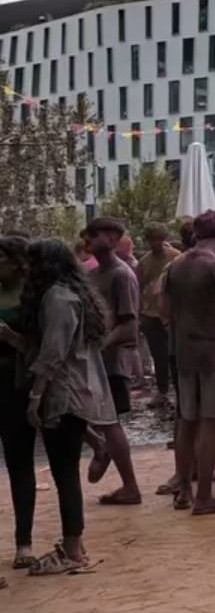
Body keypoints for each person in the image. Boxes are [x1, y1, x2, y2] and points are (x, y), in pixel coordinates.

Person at [16, 240, 117, 574]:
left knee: (65, 473)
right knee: (66, 468)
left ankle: (73, 549)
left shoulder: (57, 299)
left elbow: (53, 354)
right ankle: (75, 544)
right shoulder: (72, 295)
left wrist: (36, 397)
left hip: (64, 392)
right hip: (76, 391)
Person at [161, 210, 215, 515]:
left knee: (187, 421)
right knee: (212, 423)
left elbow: (165, 312)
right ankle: (205, 496)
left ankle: (183, 489)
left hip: (184, 353)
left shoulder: (174, 267)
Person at [84, 216, 142, 505]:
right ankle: (101, 448)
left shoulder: (122, 275)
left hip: (113, 361)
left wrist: (100, 346)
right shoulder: (92, 275)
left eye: (94, 235)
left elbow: (129, 326)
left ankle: (130, 485)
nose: (88, 241)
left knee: (110, 421)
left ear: (110, 238)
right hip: (95, 360)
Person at [0, 236, 37, 569]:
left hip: (17, 383)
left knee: (20, 464)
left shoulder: (33, 294)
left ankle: (23, 542)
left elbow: (42, 346)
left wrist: (10, 337)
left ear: (17, 261)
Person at [136, 223, 180, 409]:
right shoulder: (144, 262)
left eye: (159, 239)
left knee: (175, 355)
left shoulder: (176, 257)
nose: (156, 243)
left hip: (172, 314)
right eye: (152, 240)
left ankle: (178, 393)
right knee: (158, 355)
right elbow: (138, 287)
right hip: (150, 314)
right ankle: (162, 392)